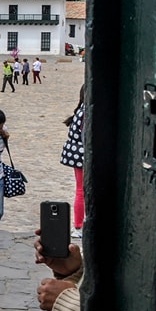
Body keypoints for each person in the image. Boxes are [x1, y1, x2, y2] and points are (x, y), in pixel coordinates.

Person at [61, 87, 86, 237]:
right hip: (82, 155)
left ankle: (79, 224)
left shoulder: (80, 110)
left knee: (80, 190)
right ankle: (79, 225)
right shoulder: (86, 113)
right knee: (82, 191)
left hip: (76, 154)